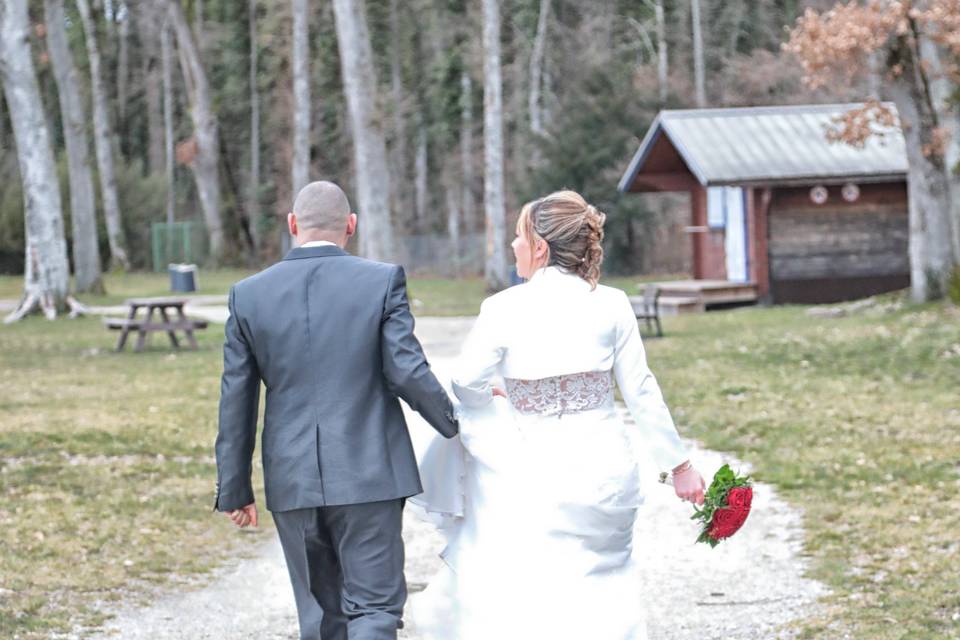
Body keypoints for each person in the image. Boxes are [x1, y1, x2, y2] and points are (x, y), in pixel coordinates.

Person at [409, 190, 706, 639]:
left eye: (518, 237)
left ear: (541, 247)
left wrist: (495, 398)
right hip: (606, 476)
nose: (513, 246)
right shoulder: (613, 303)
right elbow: (641, 391)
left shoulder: (503, 307)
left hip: (536, 476)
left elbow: (466, 383)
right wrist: (679, 467)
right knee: (608, 589)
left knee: (540, 595)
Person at [214, 181, 459, 640]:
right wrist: (455, 424)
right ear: (351, 225)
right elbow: (406, 371)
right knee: (376, 609)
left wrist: (234, 487)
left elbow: (236, 398)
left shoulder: (248, 295)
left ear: (292, 225)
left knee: (321, 617)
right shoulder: (381, 281)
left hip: (293, 479)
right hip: (371, 473)